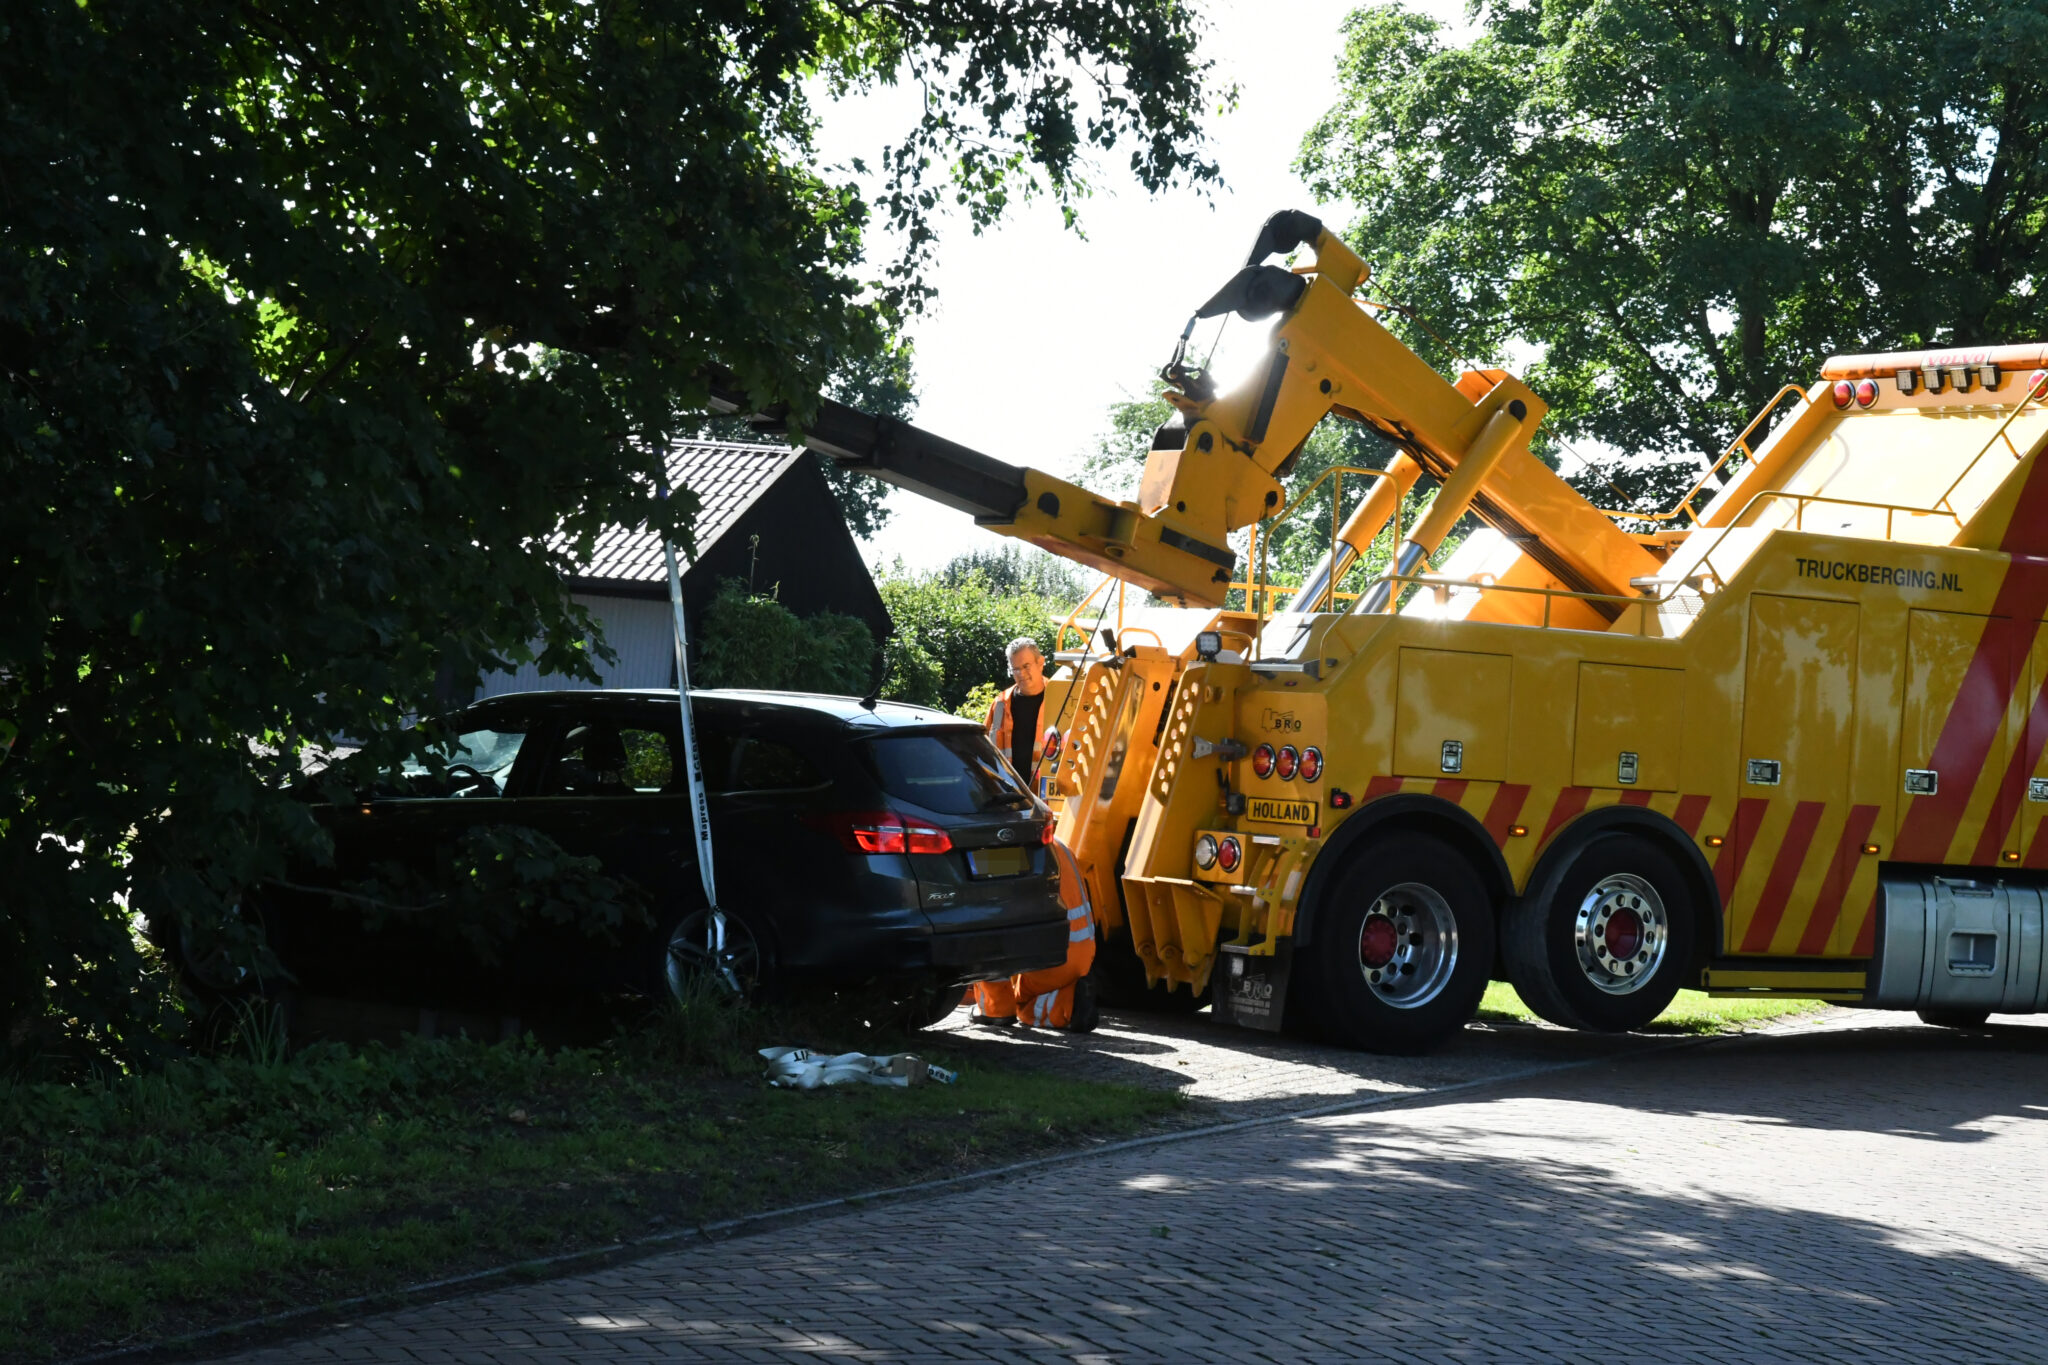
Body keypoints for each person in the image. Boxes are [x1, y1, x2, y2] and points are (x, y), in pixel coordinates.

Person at [970, 836, 1099, 1031]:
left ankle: (996, 1009)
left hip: (1051, 964)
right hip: (1081, 956)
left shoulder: (1010, 853)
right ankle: (1069, 996)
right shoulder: (1059, 845)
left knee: (978, 923)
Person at [984, 636, 1049, 786]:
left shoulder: (1060, 699)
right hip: (1008, 792)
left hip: (1047, 795)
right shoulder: (1000, 704)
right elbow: (983, 749)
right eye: (1016, 669)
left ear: (1040, 663)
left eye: (1026, 666)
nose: (1021, 673)